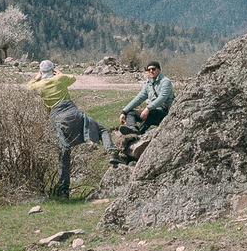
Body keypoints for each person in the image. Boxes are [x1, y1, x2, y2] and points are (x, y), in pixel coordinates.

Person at [36, 59, 106, 197]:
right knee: (97, 128)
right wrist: (60, 74)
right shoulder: (60, 79)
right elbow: (73, 78)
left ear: (41, 71)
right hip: (71, 112)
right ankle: (96, 142)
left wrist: (36, 78)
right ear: (53, 70)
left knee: (63, 151)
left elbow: (28, 87)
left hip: (56, 117)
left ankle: (63, 191)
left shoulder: (39, 85)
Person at [117, 60, 173, 159]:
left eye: (153, 69)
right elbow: (138, 98)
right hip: (152, 111)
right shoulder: (149, 84)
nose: (151, 71)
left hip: (164, 113)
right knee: (131, 113)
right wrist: (124, 111)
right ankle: (133, 129)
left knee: (150, 113)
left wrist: (148, 108)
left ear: (159, 70)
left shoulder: (166, 82)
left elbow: (162, 98)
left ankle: (137, 134)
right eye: (149, 70)